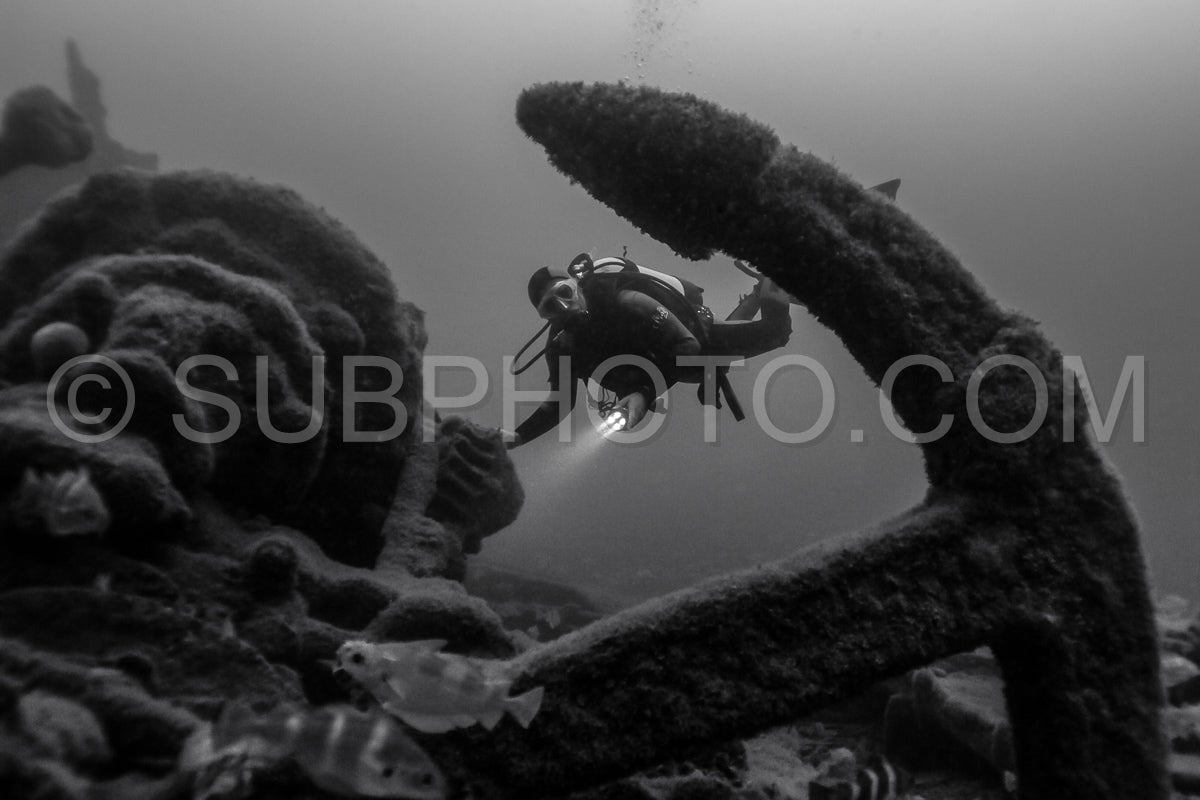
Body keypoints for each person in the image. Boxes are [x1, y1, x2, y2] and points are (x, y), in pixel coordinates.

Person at [506, 254, 792, 447]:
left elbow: (688, 345)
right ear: (546, 317)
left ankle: (775, 269)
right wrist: (517, 437)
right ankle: (755, 296)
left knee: (776, 332)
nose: (564, 308)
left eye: (564, 294)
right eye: (551, 307)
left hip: (698, 339)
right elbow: (559, 405)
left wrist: (643, 393)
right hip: (673, 370)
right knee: (700, 367)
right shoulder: (563, 349)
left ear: (576, 286)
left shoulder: (626, 300)